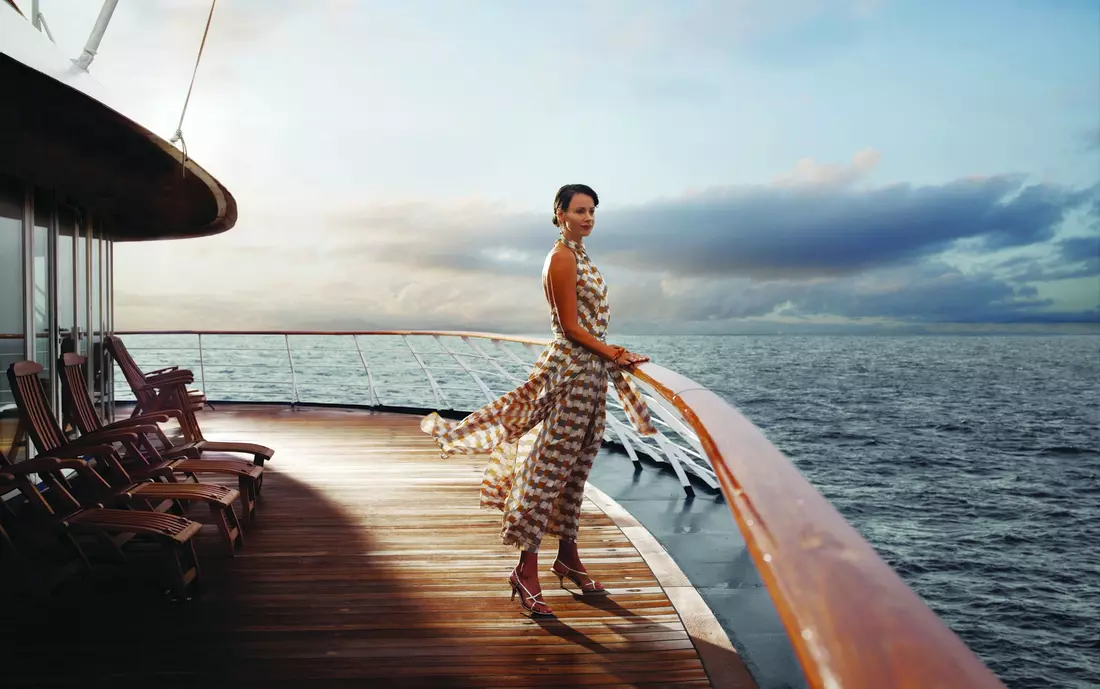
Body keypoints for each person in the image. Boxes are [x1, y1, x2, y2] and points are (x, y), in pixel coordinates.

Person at [421, 183, 656, 617]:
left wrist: (607, 357)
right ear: (560, 213)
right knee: (546, 472)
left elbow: (587, 326)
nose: (588, 218)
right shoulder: (562, 258)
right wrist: (617, 354)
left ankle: (568, 556)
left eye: (593, 211)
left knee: (576, 471)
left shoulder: (581, 255)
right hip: (571, 373)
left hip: (592, 376)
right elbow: (569, 326)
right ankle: (525, 569)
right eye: (580, 210)